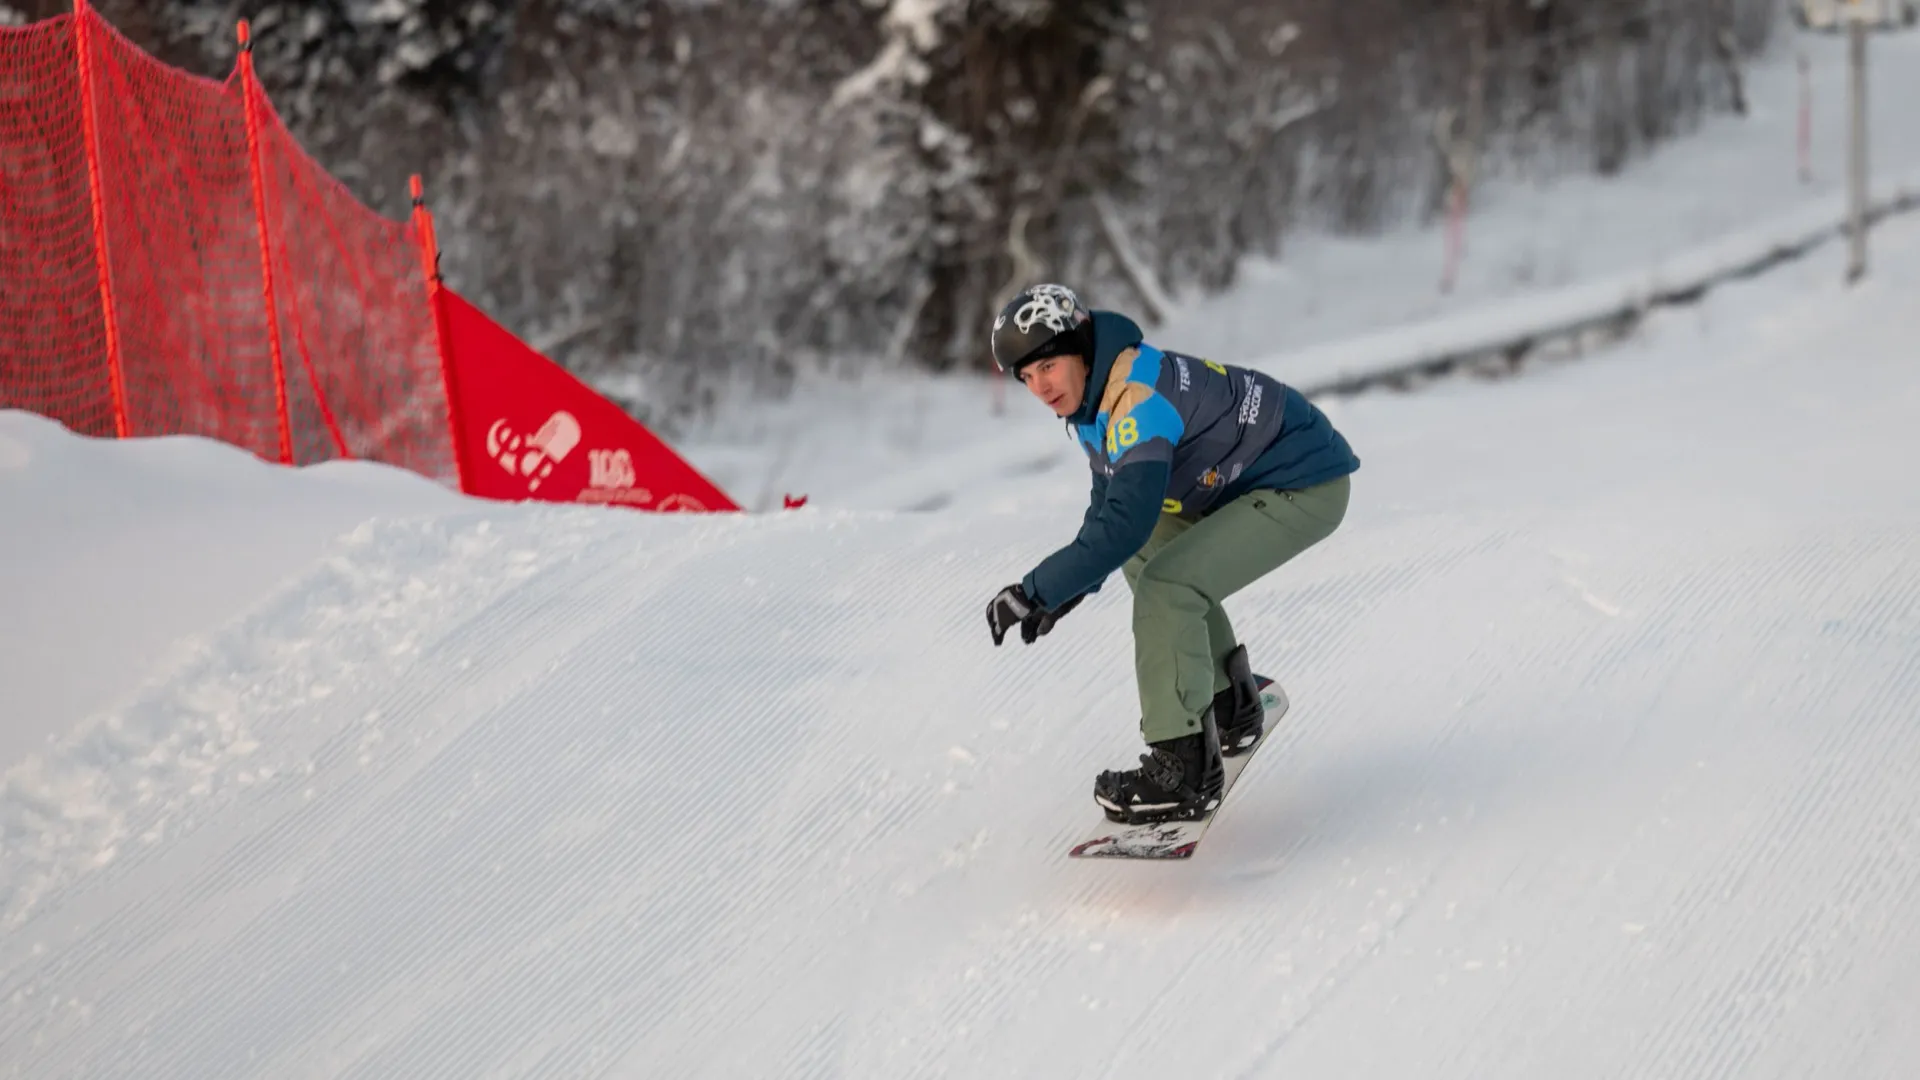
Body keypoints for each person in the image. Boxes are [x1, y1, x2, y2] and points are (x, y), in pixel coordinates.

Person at [982, 284, 1360, 825]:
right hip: (1258, 476)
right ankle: (1228, 700)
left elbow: (1123, 522)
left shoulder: (1134, 401)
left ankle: (1182, 767)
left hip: (1304, 485)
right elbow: (1113, 507)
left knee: (1166, 586)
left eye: (1046, 366)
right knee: (1147, 553)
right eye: (1026, 378)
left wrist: (1033, 589)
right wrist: (1063, 592)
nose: (1039, 387)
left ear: (1079, 345)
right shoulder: (1100, 395)